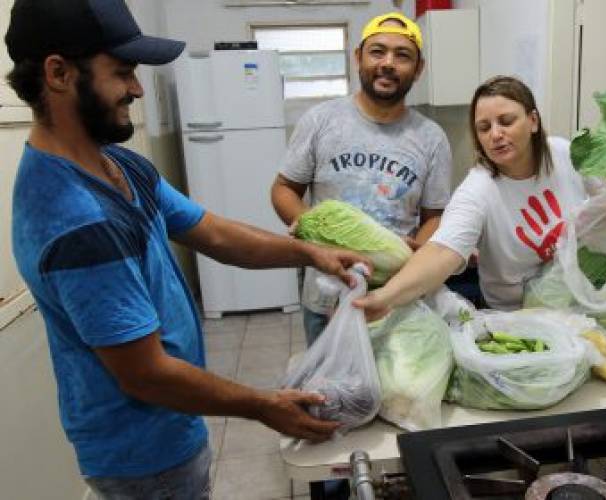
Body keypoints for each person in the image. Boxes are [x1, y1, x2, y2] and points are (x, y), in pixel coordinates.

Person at [5, 0, 371, 498]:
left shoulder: (119, 165)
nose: (136, 88)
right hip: (140, 454)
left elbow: (213, 232)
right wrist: (263, 404)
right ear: (58, 73)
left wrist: (310, 254)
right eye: (122, 73)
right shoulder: (76, 222)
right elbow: (148, 376)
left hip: (171, 427)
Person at [271, 11, 453, 346]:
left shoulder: (432, 138)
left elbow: (435, 217)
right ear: (358, 57)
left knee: (396, 392)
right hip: (326, 293)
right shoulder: (320, 121)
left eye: (402, 56)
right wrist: (313, 232)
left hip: (396, 293)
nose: (388, 63)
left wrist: (420, 247)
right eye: (377, 51)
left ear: (418, 68)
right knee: (331, 392)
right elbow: (284, 189)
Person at [355, 75, 593, 317]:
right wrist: (383, 298)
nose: (496, 134)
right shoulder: (478, 190)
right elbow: (441, 252)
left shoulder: (564, 153)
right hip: (517, 318)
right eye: (484, 127)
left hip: (582, 300)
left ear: (533, 121)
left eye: (506, 121)